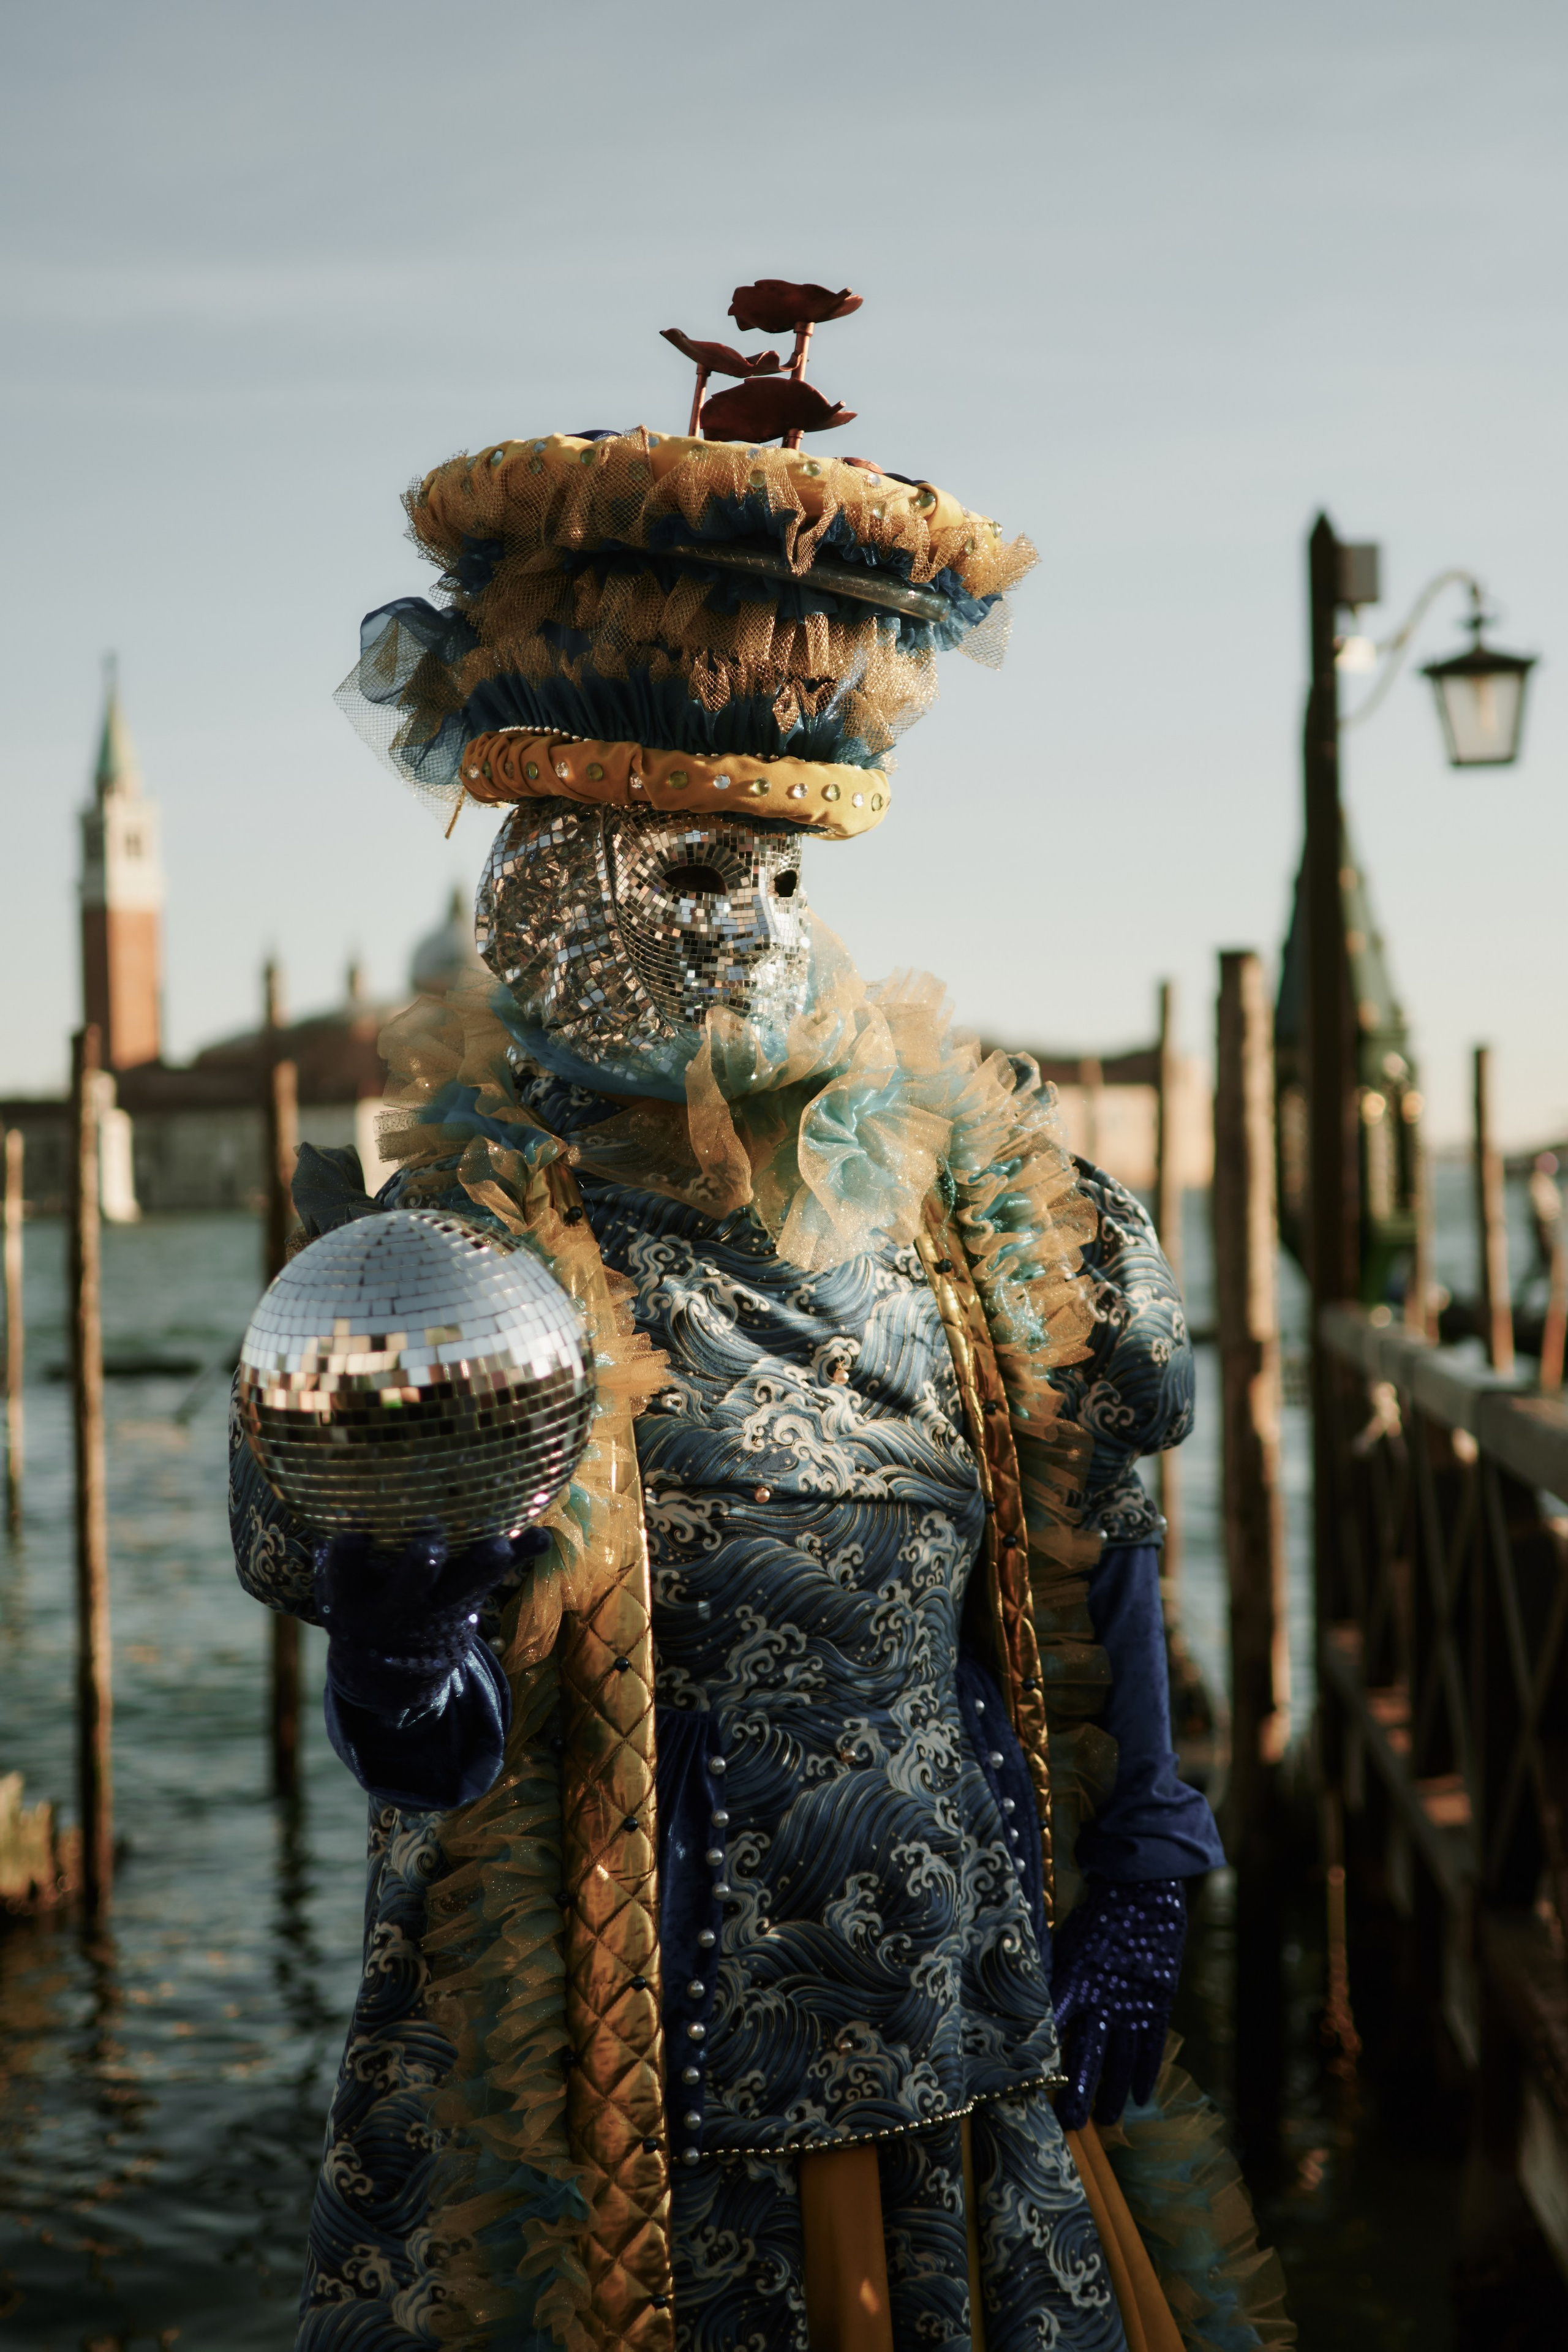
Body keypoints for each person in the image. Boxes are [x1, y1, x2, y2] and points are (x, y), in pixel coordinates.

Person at [232, 318, 1292, 2351]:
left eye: (771, 869)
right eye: (672, 866)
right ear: (541, 877)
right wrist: (402, 1646)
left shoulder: (1003, 1230)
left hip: (965, 2042)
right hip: (610, 2115)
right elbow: (438, 1757)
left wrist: (1147, 1856)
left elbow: (1097, 1547)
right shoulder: (437, 1283)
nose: (730, 924)